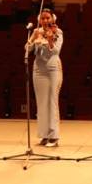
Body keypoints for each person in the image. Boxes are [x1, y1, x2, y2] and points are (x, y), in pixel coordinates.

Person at [27, 9, 63, 147]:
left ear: (53, 19)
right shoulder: (37, 33)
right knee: (41, 103)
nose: (46, 20)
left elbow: (55, 51)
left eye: (48, 18)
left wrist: (49, 39)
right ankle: (44, 135)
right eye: (43, 18)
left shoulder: (58, 32)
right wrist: (32, 38)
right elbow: (27, 49)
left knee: (52, 102)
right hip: (38, 70)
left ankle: (54, 136)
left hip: (53, 69)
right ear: (39, 20)